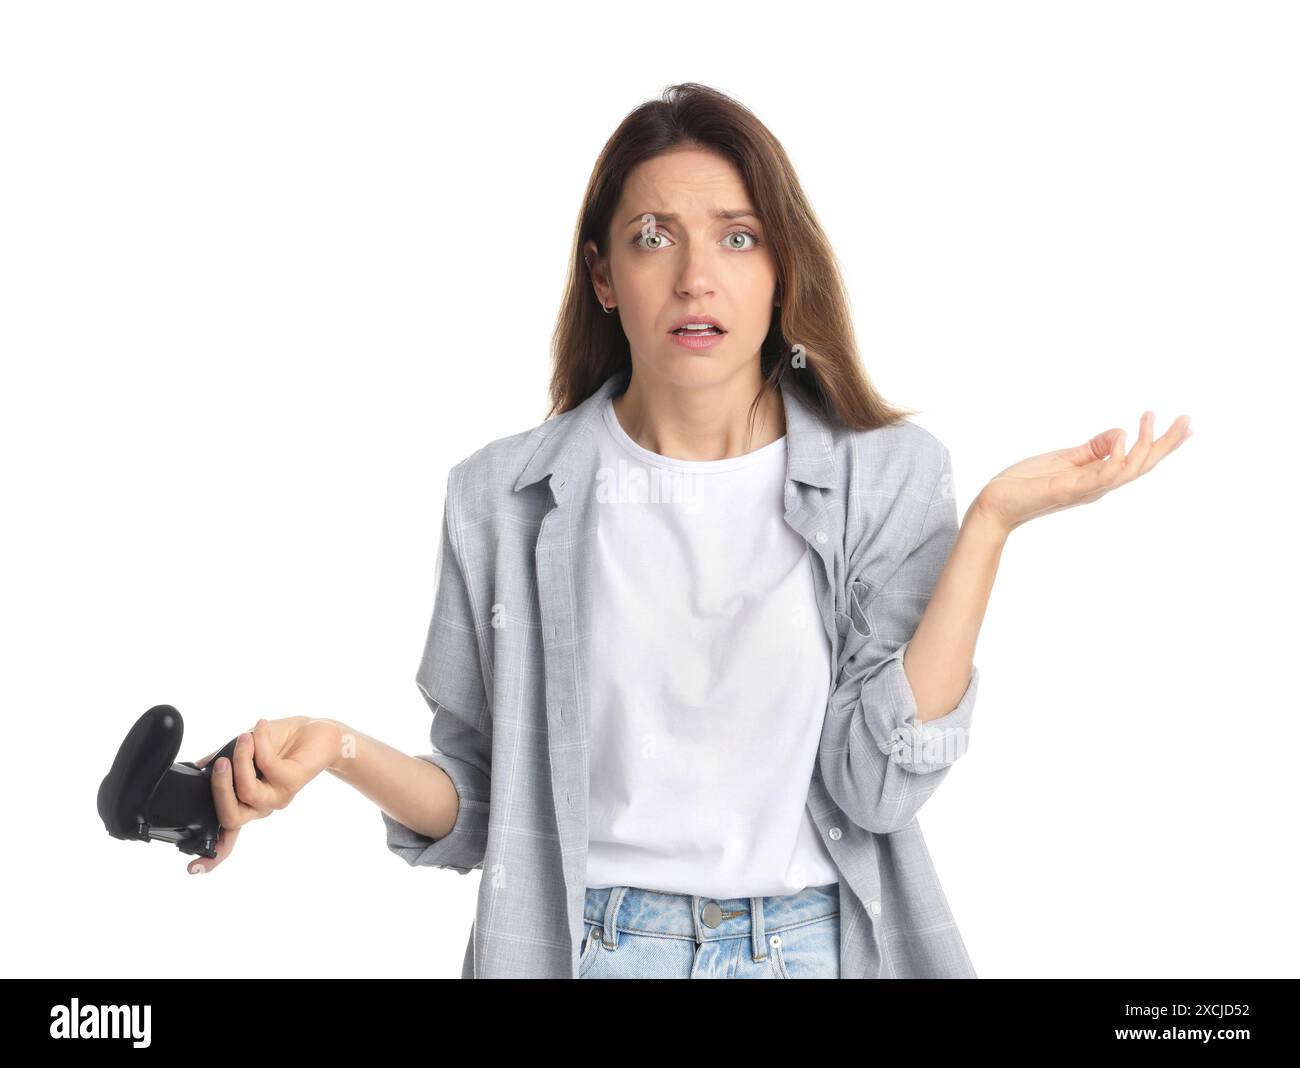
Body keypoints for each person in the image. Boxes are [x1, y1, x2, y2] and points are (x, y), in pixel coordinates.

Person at [182, 83, 1193, 979]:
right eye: (653, 237)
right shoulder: (500, 495)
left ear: (781, 272)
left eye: (738, 237)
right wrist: (336, 749)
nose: (696, 276)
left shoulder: (885, 477)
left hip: (812, 946)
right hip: (587, 948)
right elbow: (491, 807)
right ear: (605, 276)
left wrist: (989, 528)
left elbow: (876, 789)